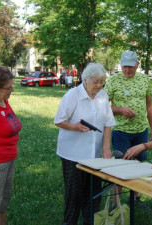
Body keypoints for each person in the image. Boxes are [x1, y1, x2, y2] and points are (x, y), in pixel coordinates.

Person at [54, 63, 116, 225]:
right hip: (73, 154)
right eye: (95, 82)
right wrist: (74, 126)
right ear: (85, 80)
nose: (99, 85)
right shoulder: (72, 95)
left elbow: (108, 123)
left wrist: (106, 148)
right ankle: (70, 222)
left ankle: (91, 221)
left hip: (94, 154)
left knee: (94, 193)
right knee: (74, 194)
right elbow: (59, 120)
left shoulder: (103, 96)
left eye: (102, 81)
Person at [104, 50, 152, 208]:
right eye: (125, 66)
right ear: (120, 65)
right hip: (121, 131)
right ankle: (116, 201)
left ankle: (135, 197)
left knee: (140, 165)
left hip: (141, 131)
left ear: (137, 65)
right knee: (120, 166)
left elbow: (149, 105)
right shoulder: (112, 81)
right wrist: (120, 110)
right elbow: (102, 107)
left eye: (131, 67)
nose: (127, 70)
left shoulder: (144, 79)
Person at [0, 66, 22, 225]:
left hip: (9, 159)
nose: (12, 90)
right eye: (8, 87)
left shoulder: (4, 101)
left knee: (2, 203)